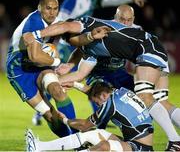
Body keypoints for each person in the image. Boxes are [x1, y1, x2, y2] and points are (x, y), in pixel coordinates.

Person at [23, 14, 180, 151]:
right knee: (160, 102)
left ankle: (175, 141)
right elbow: (79, 74)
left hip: (147, 47)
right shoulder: (91, 49)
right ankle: (175, 140)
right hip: (149, 49)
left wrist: (37, 34)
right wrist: (51, 83)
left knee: (145, 97)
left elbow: (64, 25)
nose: (76, 44)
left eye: (73, 41)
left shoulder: (85, 23)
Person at [6, 0, 109, 137]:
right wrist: (57, 62)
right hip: (19, 71)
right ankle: (67, 140)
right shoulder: (34, 22)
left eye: (55, 8)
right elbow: (35, 57)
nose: (52, 13)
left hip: (41, 66)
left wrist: (91, 36)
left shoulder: (58, 22)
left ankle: (76, 139)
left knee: (58, 91)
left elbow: (75, 41)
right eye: (48, 8)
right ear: (39, 7)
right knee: (51, 116)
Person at [25, 80, 154, 152]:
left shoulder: (110, 104)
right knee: (93, 134)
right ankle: (39, 147)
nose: (98, 106)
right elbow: (95, 92)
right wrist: (76, 85)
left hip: (140, 149)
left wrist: (64, 119)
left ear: (103, 96)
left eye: (97, 103)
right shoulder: (120, 92)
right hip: (134, 142)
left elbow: (84, 125)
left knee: (104, 146)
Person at [57, 0, 147, 63]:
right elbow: (60, 23)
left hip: (82, 43)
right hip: (67, 46)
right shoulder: (72, 0)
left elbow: (109, 1)